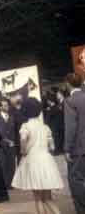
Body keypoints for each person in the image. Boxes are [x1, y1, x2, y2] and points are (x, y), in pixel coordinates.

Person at [12, 97, 63, 214]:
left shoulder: (25, 126)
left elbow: (23, 140)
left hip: (33, 162)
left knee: (38, 199)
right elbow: (52, 147)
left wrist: (23, 151)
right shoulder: (45, 127)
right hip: (47, 162)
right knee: (48, 199)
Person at [64, 72, 85, 213]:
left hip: (78, 148)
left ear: (68, 84)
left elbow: (70, 127)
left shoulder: (70, 101)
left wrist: (67, 148)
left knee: (76, 180)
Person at [0, 98, 17, 189]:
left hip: (11, 146)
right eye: (5, 105)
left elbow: (15, 131)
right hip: (1, 146)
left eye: (7, 105)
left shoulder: (12, 117)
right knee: (3, 166)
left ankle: (10, 184)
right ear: (0, 107)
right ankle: (4, 184)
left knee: (11, 165)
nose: (7, 107)